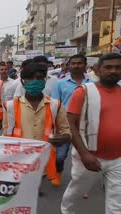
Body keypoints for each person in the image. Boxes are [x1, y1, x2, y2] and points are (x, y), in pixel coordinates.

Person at [61, 53, 121, 214]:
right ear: (97, 69)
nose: (113, 71)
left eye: (117, 67)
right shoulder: (84, 92)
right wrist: (84, 154)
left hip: (117, 158)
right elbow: (70, 124)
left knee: (117, 201)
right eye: (108, 67)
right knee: (76, 192)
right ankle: (67, 211)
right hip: (89, 156)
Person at [3, 63, 71, 185]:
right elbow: (5, 133)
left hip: (44, 161)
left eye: (39, 78)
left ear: (45, 81)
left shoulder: (55, 105)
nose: (34, 81)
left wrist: (63, 137)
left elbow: (66, 131)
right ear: (22, 82)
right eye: (29, 78)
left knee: (35, 190)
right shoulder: (10, 106)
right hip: (18, 161)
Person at [51, 54, 93, 186]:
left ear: (85, 65)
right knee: (60, 156)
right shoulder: (60, 83)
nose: (76, 66)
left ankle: (82, 183)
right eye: (73, 63)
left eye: (79, 63)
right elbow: (55, 104)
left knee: (83, 156)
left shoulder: (92, 84)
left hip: (85, 125)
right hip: (64, 125)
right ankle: (58, 173)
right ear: (69, 66)